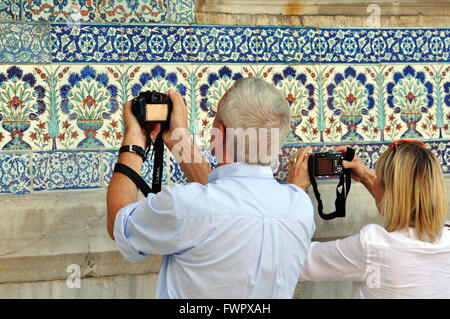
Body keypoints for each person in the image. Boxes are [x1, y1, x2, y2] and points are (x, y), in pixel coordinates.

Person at [107, 77, 316, 298]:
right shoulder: (300, 208)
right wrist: (179, 142)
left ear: (221, 132)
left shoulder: (185, 206)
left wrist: (134, 141)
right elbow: (225, 202)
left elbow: (118, 222)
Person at [287, 140, 450, 298]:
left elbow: (292, 262)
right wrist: (366, 175)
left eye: (378, 177)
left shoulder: (372, 246)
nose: (375, 180)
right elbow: (405, 201)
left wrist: (294, 190)